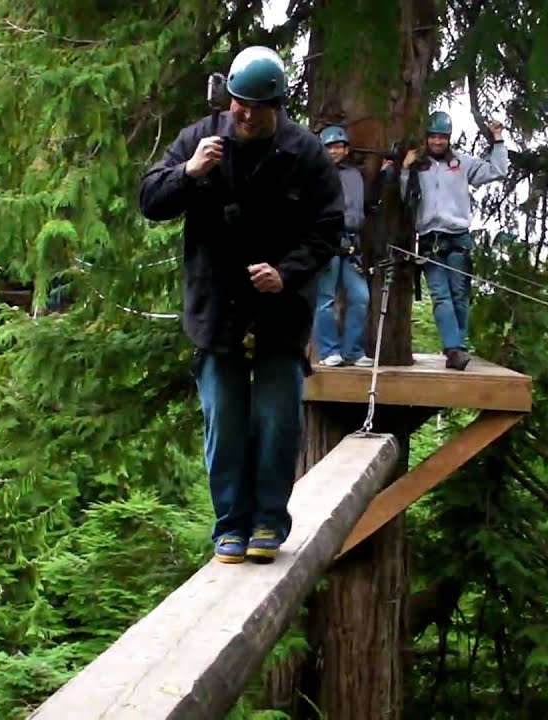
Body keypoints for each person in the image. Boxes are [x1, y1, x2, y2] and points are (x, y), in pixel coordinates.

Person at [138, 46, 344, 564]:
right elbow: (150, 201)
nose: (243, 114)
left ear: (277, 104)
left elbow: (328, 229)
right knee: (224, 424)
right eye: (236, 102)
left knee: (278, 424)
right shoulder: (200, 138)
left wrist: (288, 273)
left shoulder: (306, 154)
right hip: (217, 308)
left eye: (254, 106)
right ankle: (229, 524)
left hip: (280, 311)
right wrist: (188, 172)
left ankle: (269, 523)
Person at [399, 110, 507, 371]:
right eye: (433, 137)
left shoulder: (462, 163)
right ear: (427, 138)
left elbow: (496, 170)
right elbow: (406, 197)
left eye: (442, 138)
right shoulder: (418, 165)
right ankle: (453, 348)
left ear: (449, 138)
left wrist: (498, 140)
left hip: (457, 237)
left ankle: (457, 347)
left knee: (459, 296)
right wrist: (404, 168)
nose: (437, 142)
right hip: (429, 238)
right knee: (441, 296)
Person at [312, 124, 373, 368]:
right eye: (330, 147)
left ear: (346, 149)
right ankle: (329, 351)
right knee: (325, 298)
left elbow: (365, 205)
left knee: (361, 297)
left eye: (339, 146)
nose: (335, 151)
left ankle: (353, 351)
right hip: (327, 239)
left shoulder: (354, 174)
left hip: (352, 242)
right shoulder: (315, 174)